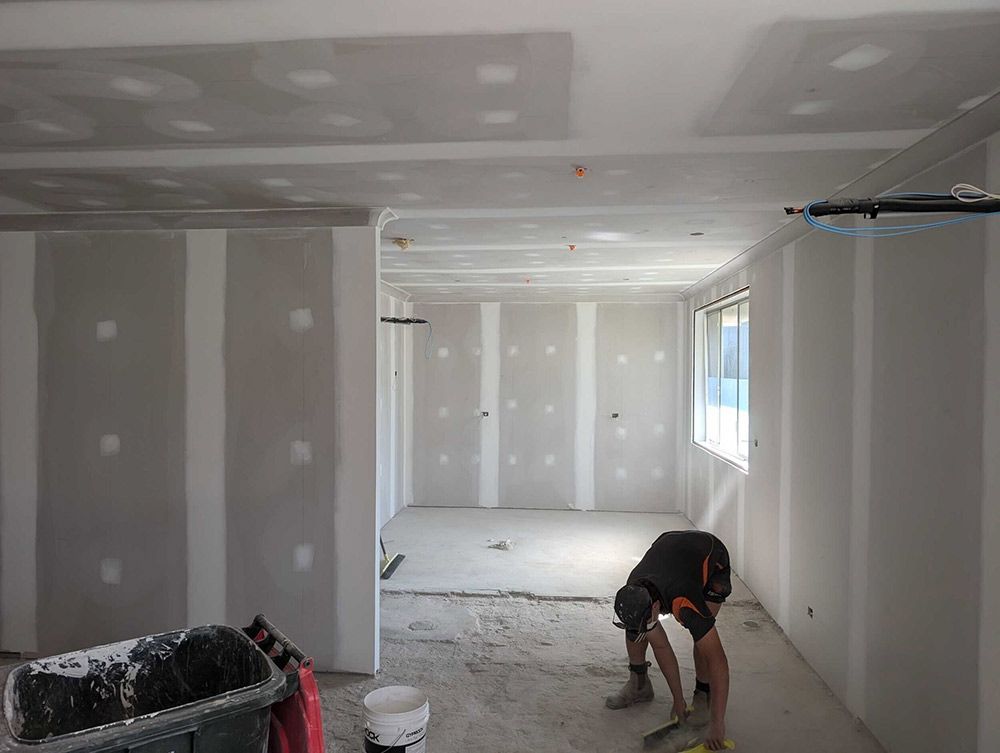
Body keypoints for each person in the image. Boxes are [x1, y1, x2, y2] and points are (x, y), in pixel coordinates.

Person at [607, 530, 732, 751]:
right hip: (669, 543)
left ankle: (703, 694)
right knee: (636, 627)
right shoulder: (633, 589)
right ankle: (639, 684)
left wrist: (717, 723)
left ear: (656, 608)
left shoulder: (686, 603)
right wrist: (677, 700)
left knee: (703, 641)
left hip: (711, 556)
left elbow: (718, 661)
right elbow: (662, 646)